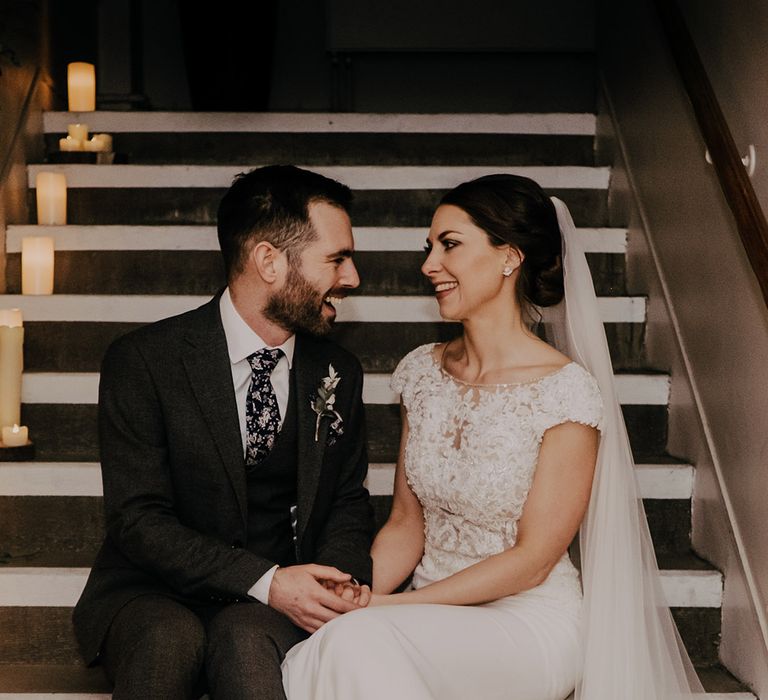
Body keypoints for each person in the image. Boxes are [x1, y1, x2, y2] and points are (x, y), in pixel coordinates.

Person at [281, 175, 704, 699]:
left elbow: (533, 560)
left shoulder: (565, 392)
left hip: (527, 622)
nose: (429, 265)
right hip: (424, 616)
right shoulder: (421, 373)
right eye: (429, 247)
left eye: (450, 245)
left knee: (355, 642)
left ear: (509, 256)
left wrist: (389, 609)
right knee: (341, 640)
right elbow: (406, 526)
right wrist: (359, 594)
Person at [73, 165, 376, 700]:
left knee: (244, 645)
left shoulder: (338, 371)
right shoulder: (144, 361)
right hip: (151, 590)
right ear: (269, 261)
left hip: (275, 601)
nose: (351, 278)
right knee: (169, 642)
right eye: (337, 259)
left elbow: (348, 501)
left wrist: (332, 582)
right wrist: (265, 580)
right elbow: (138, 520)